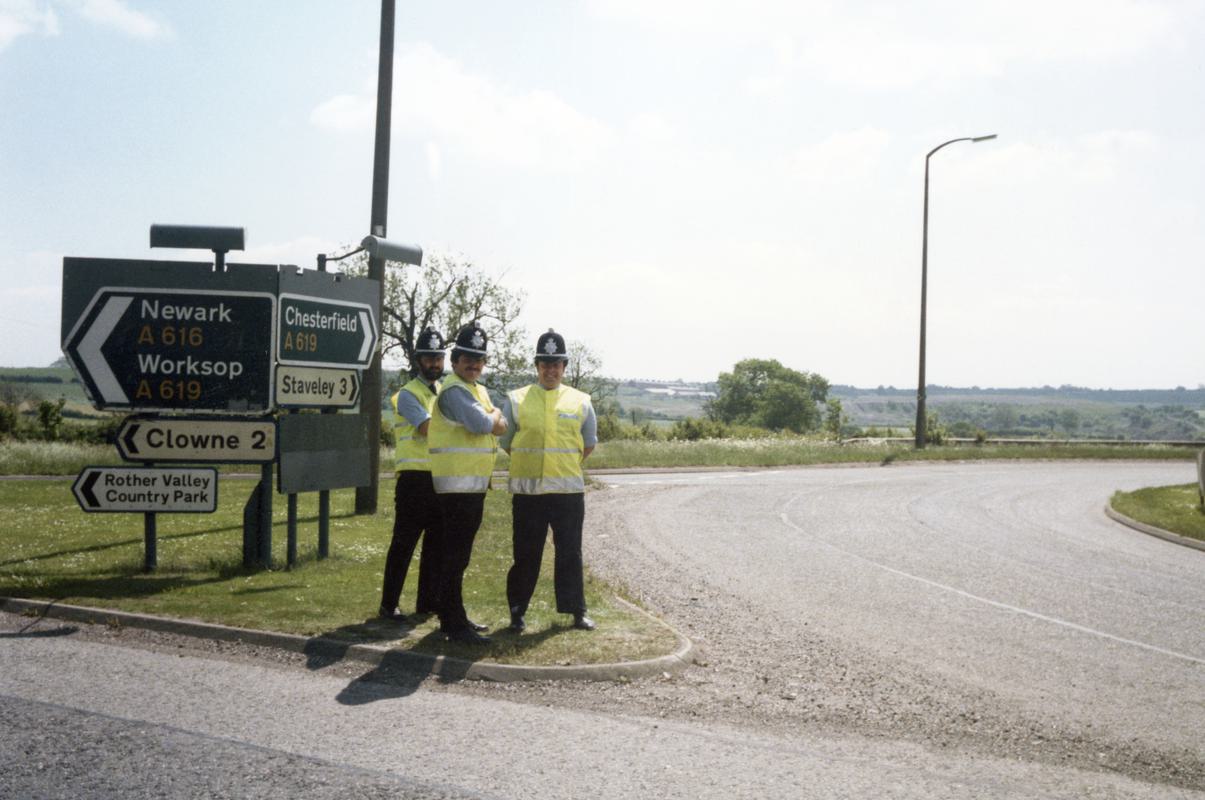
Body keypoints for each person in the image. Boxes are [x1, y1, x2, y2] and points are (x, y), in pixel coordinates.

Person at [500, 329, 598, 633]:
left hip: (567, 493)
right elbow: (506, 441)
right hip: (528, 494)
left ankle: (576, 611)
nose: (550, 370)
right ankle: (517, 611)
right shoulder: (516, 400)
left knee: (570, 553)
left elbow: (589, 443)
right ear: (536, 366)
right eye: (545, 364)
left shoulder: (581, 401)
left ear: (564, 367)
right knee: (525, 555)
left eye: (556, 364)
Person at [428, 321, 508, 645]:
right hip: (457, 489)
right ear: (455, 360)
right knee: (455, 556)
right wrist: (495, 417)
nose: (474, 364)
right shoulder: (456, 390)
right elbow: (481, 423)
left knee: (458, 556)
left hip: (471, 487)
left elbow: (496, 425)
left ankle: (453, 617)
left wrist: (495, 420)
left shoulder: (475, 389)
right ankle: (453, 623)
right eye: (467, 358)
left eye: (479, 359)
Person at [378, 328, 446, 622]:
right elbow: (427, 428)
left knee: (435, 545)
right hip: (413, 481)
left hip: (440, 478)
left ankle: (427, 602)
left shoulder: (444, 391)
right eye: (429, 358)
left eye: (438, 358)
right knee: (404, 544)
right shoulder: (407, 394)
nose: (434, 363)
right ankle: (388, 604)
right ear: (418, 360)